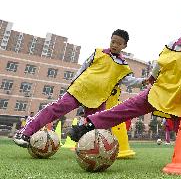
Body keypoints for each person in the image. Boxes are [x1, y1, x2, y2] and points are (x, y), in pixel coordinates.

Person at [69, 8, 181, 142]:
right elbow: (160, 62)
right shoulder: (173, 44)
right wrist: (152, 76)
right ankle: (89, 125)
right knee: (127, 108)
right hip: (160, 88)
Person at [14, 29, 147, 148]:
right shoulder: (98, 52)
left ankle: (92, 151)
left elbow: (129, 81)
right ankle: (25, 133)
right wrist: (73, 82)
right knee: (54, 109)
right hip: (80, 89)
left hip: (98, 99)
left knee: (98, 125)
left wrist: (145, 81)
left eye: (118, 43)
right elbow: (83, 67)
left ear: (124, 46)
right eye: (113, 41)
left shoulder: (123, 66)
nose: (114, 45)